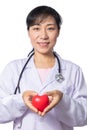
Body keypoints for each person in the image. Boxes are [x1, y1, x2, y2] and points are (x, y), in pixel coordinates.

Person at [0, 5, 87, 130]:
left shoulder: (73, 71)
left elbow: (84, 117)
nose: (43, 35)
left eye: (50, 28)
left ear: (58, 31)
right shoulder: (14, 69)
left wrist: (62, 100)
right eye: (36, 28)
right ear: (28, 32)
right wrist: (21, 100)